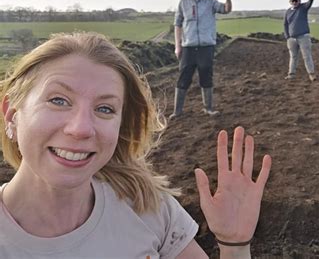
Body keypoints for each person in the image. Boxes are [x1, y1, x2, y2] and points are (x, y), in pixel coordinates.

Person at [0, 32, 271, 258]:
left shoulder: (147, 206)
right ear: (11, 114)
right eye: (58, 100)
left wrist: (235, 245)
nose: (81, 128)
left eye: (105, 108)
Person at [170, 0, 232, 119]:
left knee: (206, 76)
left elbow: (226, 9)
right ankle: (177, 111)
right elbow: (178, 25)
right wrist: (177, 46)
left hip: (206, 47)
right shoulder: (183, 3)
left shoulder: (210, 3)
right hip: (188, 48)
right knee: (183, 77)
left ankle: (208, 108)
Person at [283, 0, 316, 82]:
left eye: (296, 0)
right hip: (291, 39)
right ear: (290, 1)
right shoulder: (288, 11)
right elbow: (285, 24)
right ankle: (291, 74)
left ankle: (311, 74)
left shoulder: (303, 8)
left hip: (303, 37)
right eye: (293, 0)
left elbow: (309, 3)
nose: (294, 2)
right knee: (293, 57)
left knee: (307, 56)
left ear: (299, 1)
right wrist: (287, 37)